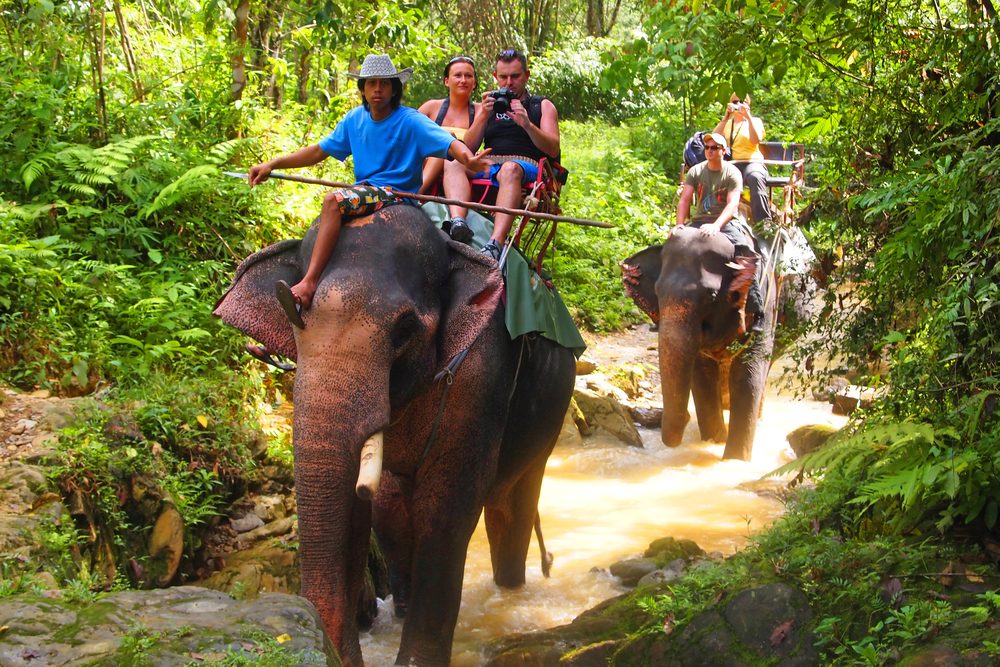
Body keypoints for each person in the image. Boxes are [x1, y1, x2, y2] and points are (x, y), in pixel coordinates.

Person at [247, 54, 491, 329]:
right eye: (371, 83)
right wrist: (273, 163)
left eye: (384, 84)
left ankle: (309, 283)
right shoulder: (354, 120)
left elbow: (448, 143)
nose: (378, 89)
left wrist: (467, 158)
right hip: (364, 191)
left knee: (332, 201)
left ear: (394, 88)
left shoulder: (410, 120)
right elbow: (318, 151)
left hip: (396, 194)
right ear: (362, 88)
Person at [441, 48, 560, 262]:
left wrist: (527, 125)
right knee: (453, 161)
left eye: (515, 76)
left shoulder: (541, 105)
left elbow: (552, 148)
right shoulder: (488, 105)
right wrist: (483, 116)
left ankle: (495, 243)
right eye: (503, 77)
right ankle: (459, 222)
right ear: (495, 76)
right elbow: (467, 147)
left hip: (524, 166)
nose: (508, 83)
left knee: (509, 169)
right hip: (490, 163)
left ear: (527, 75)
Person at [676, 132, 764, 333]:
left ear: (724, 151)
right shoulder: (696, 171)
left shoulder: (732, 173)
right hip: (698, 222)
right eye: (707, 148)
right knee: (672, 249)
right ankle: (665, 309)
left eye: (714, 148)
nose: (709, 151)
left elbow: (733, 204)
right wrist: (679, 225)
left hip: (725, 223)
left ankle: (756, 310)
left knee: (746, 254)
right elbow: (685, 200)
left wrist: (716, 225)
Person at [417, 57, 481, 246]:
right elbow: (408, 132)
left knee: (447, 147)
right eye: (458, 75)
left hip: (463, 163)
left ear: (475, 82)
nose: (463, 80)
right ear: (447, 81)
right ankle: (416, 194)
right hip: (426, 161)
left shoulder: (480, 110)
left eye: (468, 76)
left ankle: (415, 196)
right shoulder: (431, 107)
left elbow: (475, 146)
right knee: (444, 144)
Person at [713, 93, 771, 225]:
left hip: (753, 161)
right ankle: (716, 216)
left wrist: (748, 117)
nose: (738, 105)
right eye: (735, 102)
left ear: (748, 104)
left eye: (742, 102)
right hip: (735, 163)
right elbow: (714, 139)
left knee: (754, 177)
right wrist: (726, 117)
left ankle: (763, 223)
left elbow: (756, 140)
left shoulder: (755, 121)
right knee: (719, 177)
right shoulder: (728, 123)